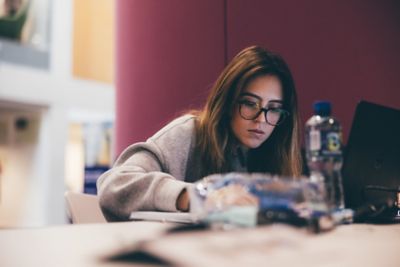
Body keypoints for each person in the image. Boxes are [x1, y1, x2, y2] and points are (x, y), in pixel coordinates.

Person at [97, 45, 302, 221]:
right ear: (228, 102)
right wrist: (197, 196)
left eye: (274, 108)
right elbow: (114, 185)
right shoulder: (188, 134)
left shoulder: (270, 155)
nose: (261, 119)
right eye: (249, 103)